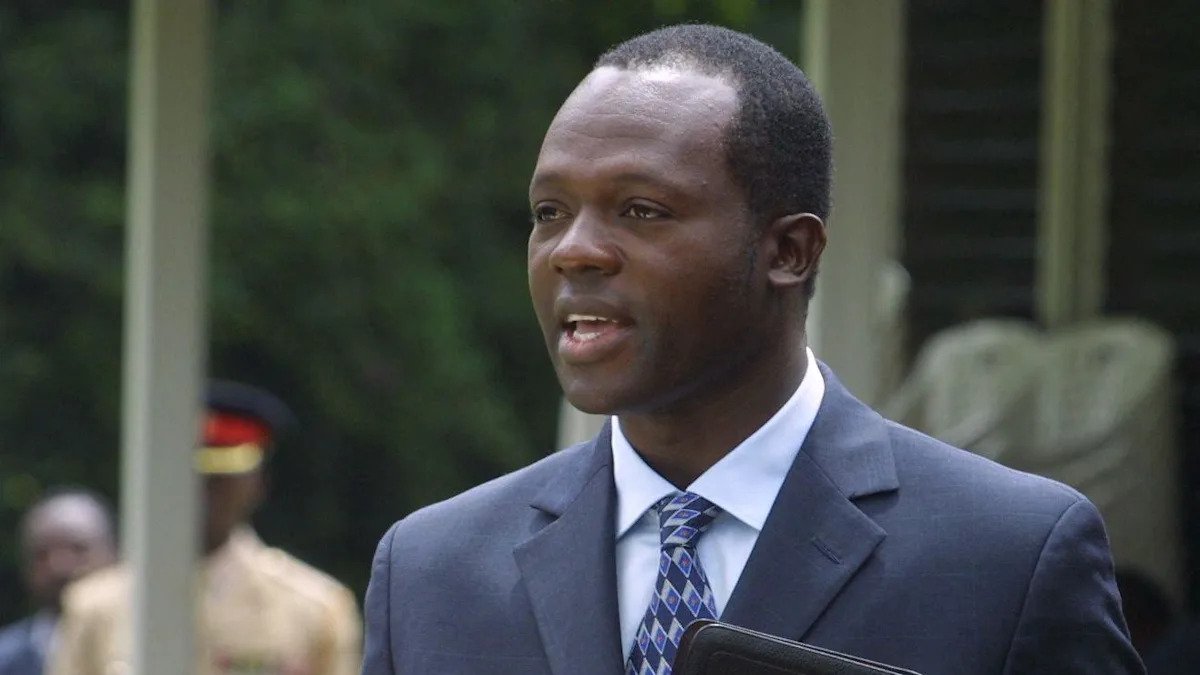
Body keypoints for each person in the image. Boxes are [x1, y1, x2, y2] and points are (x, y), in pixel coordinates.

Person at [360, 24, 1142, 675]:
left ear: (789, 251)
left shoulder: (1009, 558)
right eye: (549, 212)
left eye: (640, 209)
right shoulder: (431, 573)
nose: (574, 251)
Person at [50, 381, 361, 675]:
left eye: (220, 481)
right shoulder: (94, 608)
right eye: (187, 478)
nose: (201, 494)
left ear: (258, 484)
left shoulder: (314, 608)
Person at [0, 490, 117, 675]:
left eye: (78, 549)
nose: (59, 566)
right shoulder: (5, 659)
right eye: (42, 554)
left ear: (114, 553)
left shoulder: (148, 644)